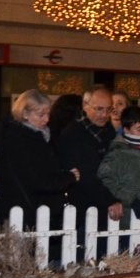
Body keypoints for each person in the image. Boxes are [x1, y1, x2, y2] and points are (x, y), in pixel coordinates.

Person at [0, 89, 78, 223]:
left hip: (27, 208)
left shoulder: (24, 136)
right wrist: (68, 177)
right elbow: (38, 179)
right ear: (25, 114)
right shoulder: (23, 141)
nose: (47, 119)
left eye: (48, 114)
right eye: (41, 115)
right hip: (29, 210)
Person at [56, 86, 123, 223]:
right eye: (99, 109)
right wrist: (110, 200)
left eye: (108, 109)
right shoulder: (72, 134)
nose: (104, 115)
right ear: (85, 106)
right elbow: (84, 175)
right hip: (82, 208)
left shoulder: (108, 131)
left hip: (107, 204)